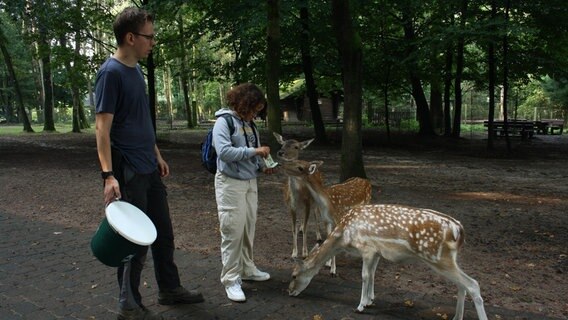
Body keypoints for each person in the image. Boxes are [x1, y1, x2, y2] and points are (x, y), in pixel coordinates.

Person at [94, 7, 203, 320]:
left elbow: (140, 119)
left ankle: (169, 288)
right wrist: (108, 176)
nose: (153, 42)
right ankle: (128, 304)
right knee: (134, 241)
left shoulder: (136, 70)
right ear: (130, 37)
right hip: (126, 170)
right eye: (149, 36)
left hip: (148, 165)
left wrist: (156, 153)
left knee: (163, 234)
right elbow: (102, 128)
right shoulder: (111, 73)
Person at [212, 83, 275, 302]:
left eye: (259, 110)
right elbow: (225, 152)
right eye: (255, 108)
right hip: (230, 184)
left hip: (250, 183)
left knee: (248, 227)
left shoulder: (250, 125)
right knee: (233, 231)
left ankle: (247, 268)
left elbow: (250, 155)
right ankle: (231, 279)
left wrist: (262, 165)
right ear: (244, 103)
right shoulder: (223, 122)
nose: (256, 113)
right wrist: (255, 151)